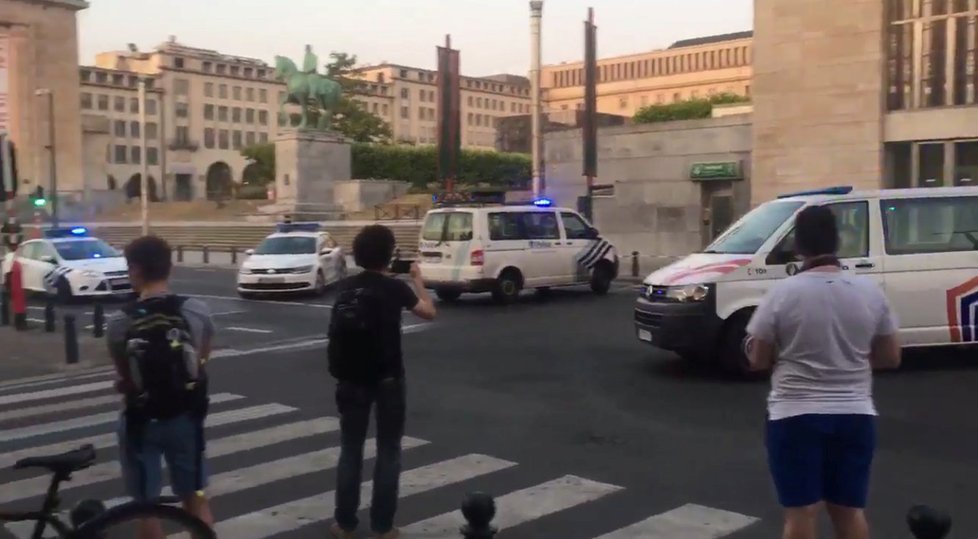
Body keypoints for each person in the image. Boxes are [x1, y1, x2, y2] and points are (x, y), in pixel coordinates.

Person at [744, 205, 902, 539]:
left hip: (795, 415)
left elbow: (758, 359)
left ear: (799, 246)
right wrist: (849, 361)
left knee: (802, 512)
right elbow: (890, 357)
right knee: (848, 511)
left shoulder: (782, 294)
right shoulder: (870, 292)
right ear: (837, 241)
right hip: (855, 414)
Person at [328, 224, 437, 539]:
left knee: (350, 449)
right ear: (389, 256)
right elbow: (429, 312)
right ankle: (383, 527)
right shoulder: (395, 288)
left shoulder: (345, 288)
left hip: (349, 379)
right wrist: (417, 280)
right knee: (389, 450)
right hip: (388, 378)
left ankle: (344, 523)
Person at [107, 236, 215, 539]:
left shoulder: (120, 322)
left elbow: (126, 376)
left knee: (146, 506)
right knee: (196, 497)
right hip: (185, 418)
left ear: (135, 270)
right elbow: (203, 359)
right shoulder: (196, 310)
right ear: (170, 267)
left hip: (141, 422)